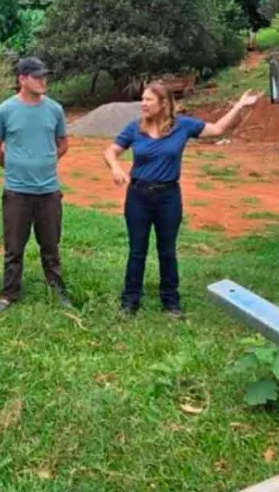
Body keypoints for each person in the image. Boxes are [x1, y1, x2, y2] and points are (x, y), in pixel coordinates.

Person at [104, 82, 261, 317]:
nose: (143, 104)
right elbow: (110, 151)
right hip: (138, 196)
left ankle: (171, 301)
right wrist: (116, 167)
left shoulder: (182, 126)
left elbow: (217, 130)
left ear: (164, 104)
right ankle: (130, 301)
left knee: (167, 250)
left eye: (148, 100)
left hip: (168, 197)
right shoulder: (135, 128)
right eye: (143, 99)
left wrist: (239, 105)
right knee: (137, 250)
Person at [0, 57, 70, 312]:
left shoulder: (55, 109)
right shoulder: (4, 111)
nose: (43, 81)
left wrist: (44, 162)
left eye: (45, 76)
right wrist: (14, 166)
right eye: (37, 76)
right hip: (17, 191)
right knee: (14, 247)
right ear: (22, 79)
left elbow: (63, 143)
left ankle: (56, 290)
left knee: (50, 245)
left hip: (48, 191)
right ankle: (8, 293)